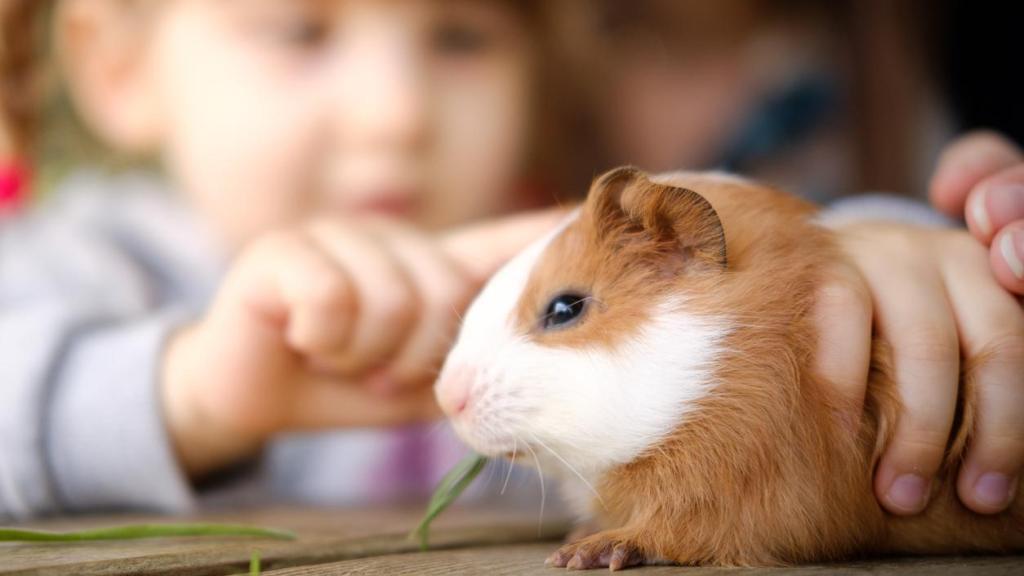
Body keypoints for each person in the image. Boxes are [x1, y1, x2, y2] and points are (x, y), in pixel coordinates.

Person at [0, 0, 1020, 523]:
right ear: (118, 65)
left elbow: (759, 307)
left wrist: (878, 250)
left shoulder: (559, 249)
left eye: (458, 38)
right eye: (301, 30)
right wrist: (192, 395)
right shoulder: (88, 261)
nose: (396, 113)